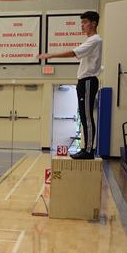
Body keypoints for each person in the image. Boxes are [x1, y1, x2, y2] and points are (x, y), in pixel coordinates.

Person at [37, 10, 103, 159]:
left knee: (86, 116)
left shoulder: (95, 40)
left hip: (88, 81)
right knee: (84, 115)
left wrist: (51, 55)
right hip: (84, 81)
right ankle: (86, 148)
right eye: (82, 23)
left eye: (85, 22)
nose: (82, 26)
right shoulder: (89, 41)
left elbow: (74, 53)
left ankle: (89, 150)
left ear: (93, 23)